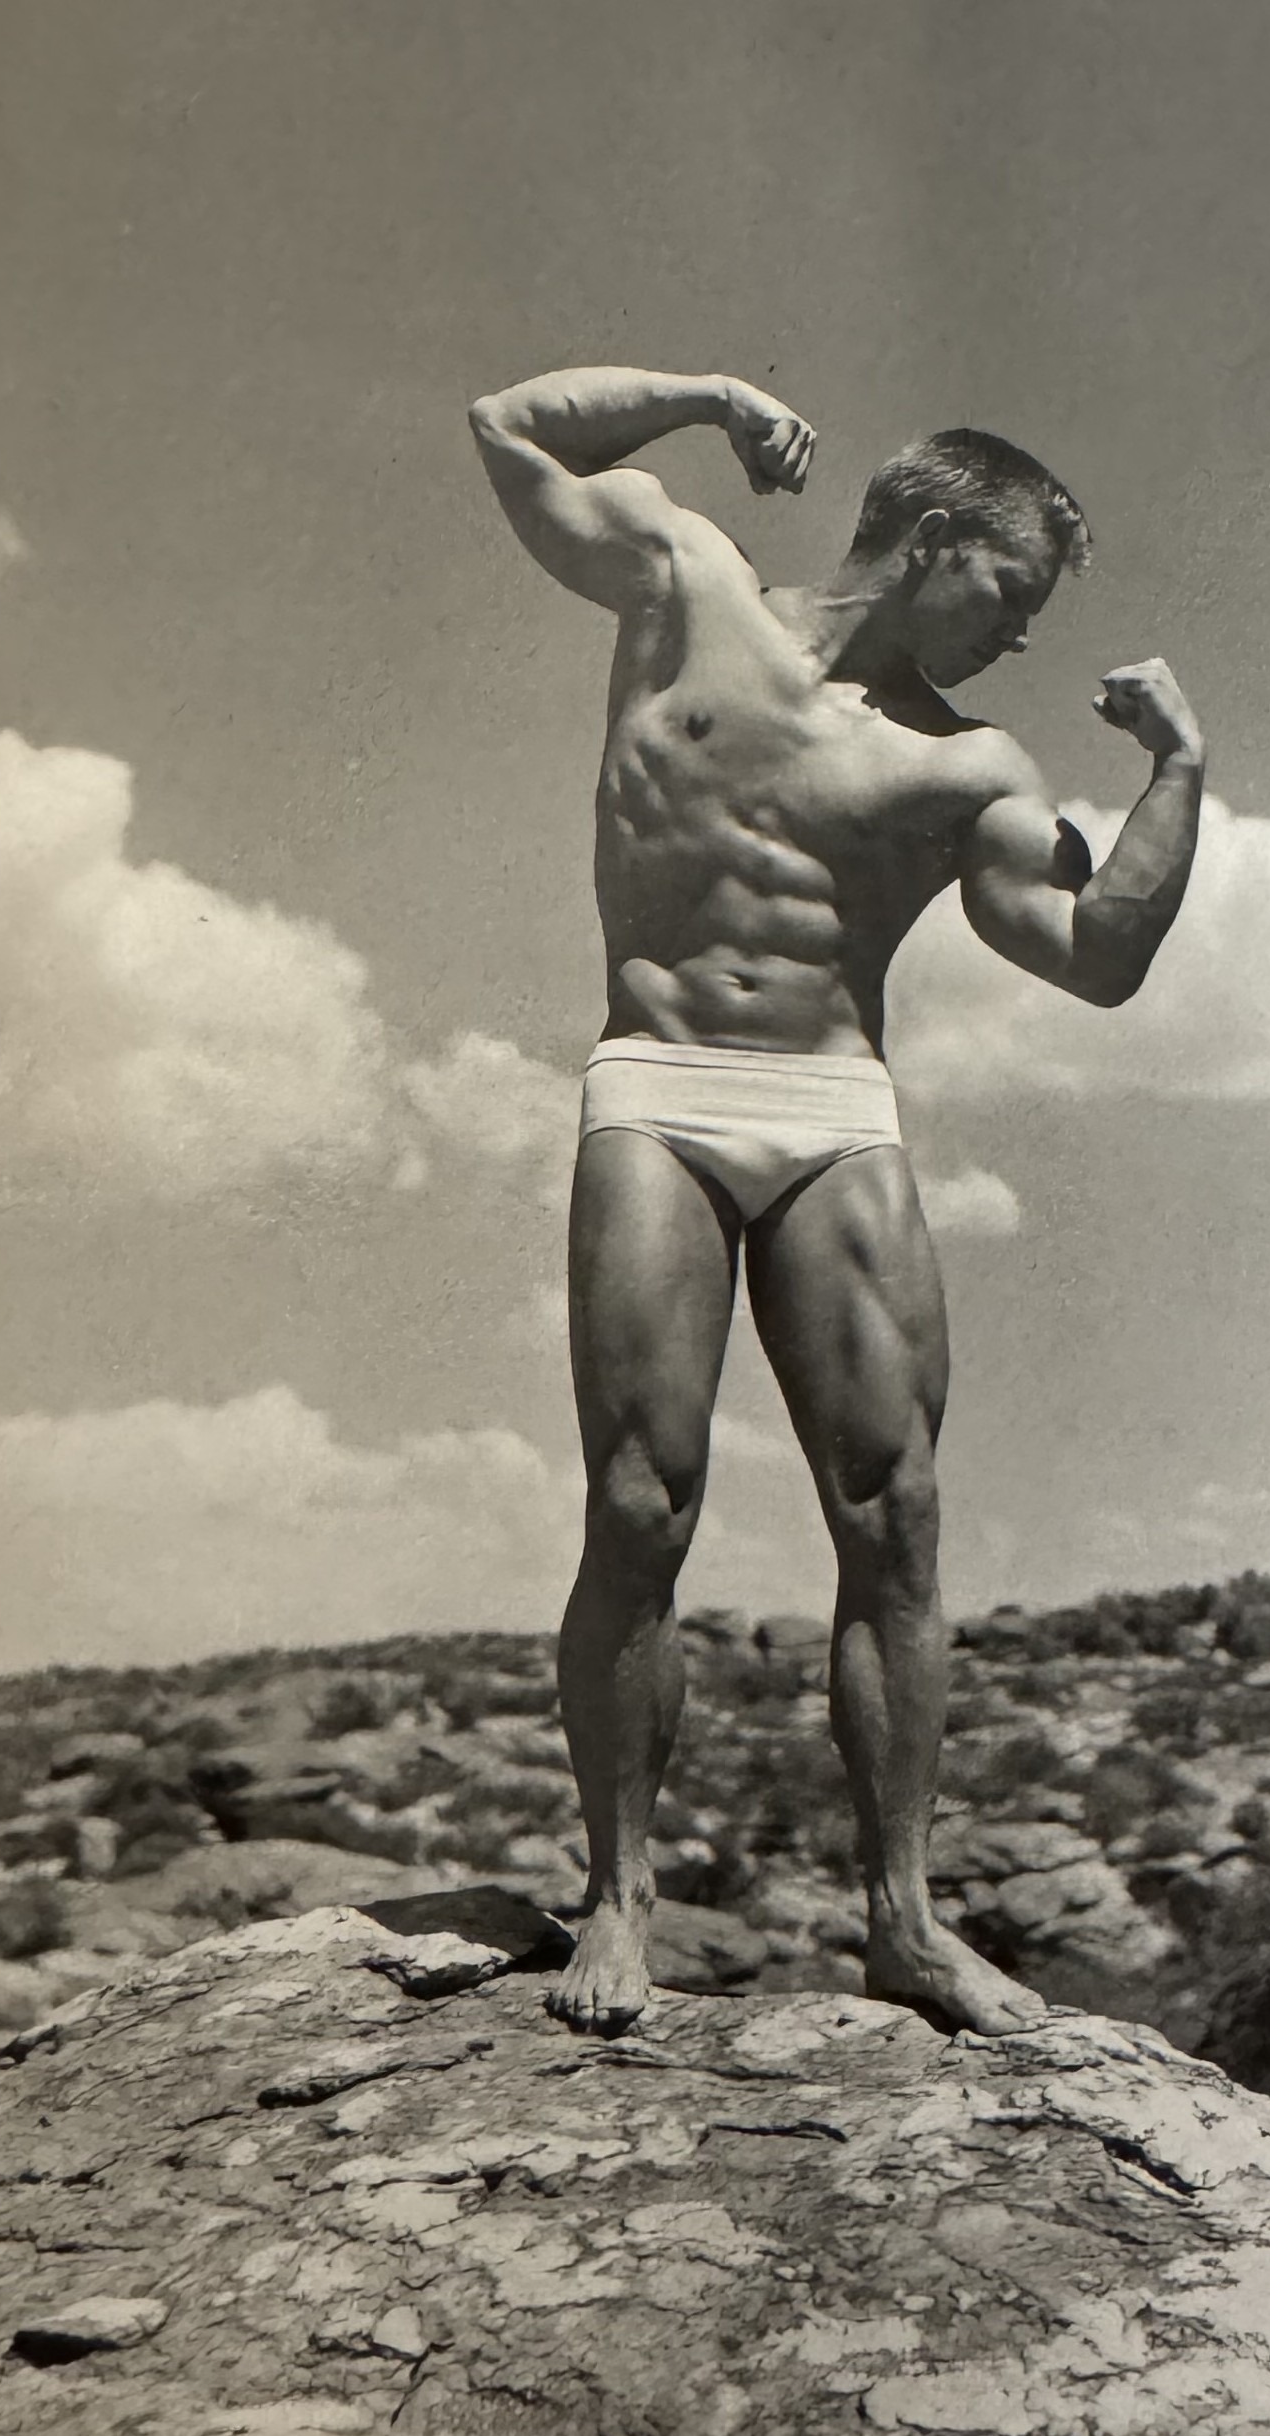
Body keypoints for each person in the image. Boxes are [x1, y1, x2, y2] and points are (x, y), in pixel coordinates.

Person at [468, 363, 1206, 2035]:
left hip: (830, 1107)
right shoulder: (684, 579)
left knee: (895, 1512)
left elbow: (1094, 959)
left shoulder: (972, 768)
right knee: (642, 1506)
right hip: (657, 1085)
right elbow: (507, 427)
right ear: (936, 538)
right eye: (1009, 593)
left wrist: (1179, 768)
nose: (1014, 639)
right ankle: (619, 1900)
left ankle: (901, 1917)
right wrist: (706, 396)